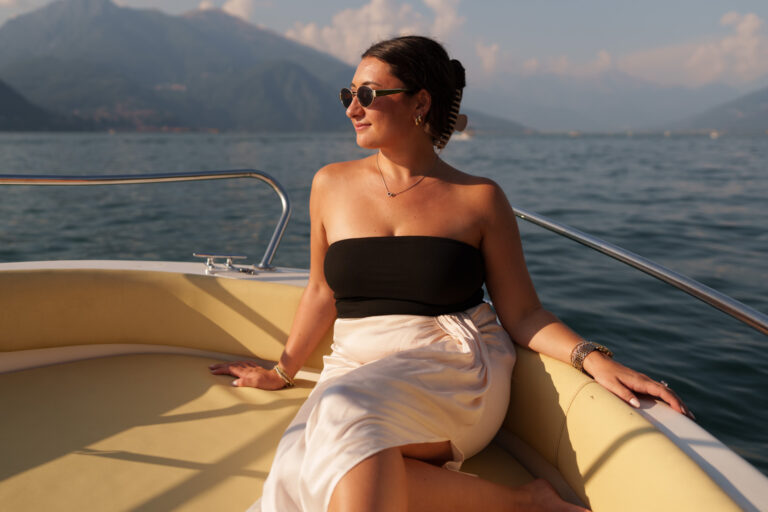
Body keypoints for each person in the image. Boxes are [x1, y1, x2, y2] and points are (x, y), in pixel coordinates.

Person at [209, 35, 691, 512]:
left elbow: (522, 313)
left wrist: (591, 357)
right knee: (310, 462)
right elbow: (320, 291)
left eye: (368, 94)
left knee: (339, 424)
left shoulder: (479, 198)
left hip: (453, 364)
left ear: (420, 102)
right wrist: (281, 369)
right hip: (355, 365)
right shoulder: (329, 184)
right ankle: (524, 503)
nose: (352, 108)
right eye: (348, 94)